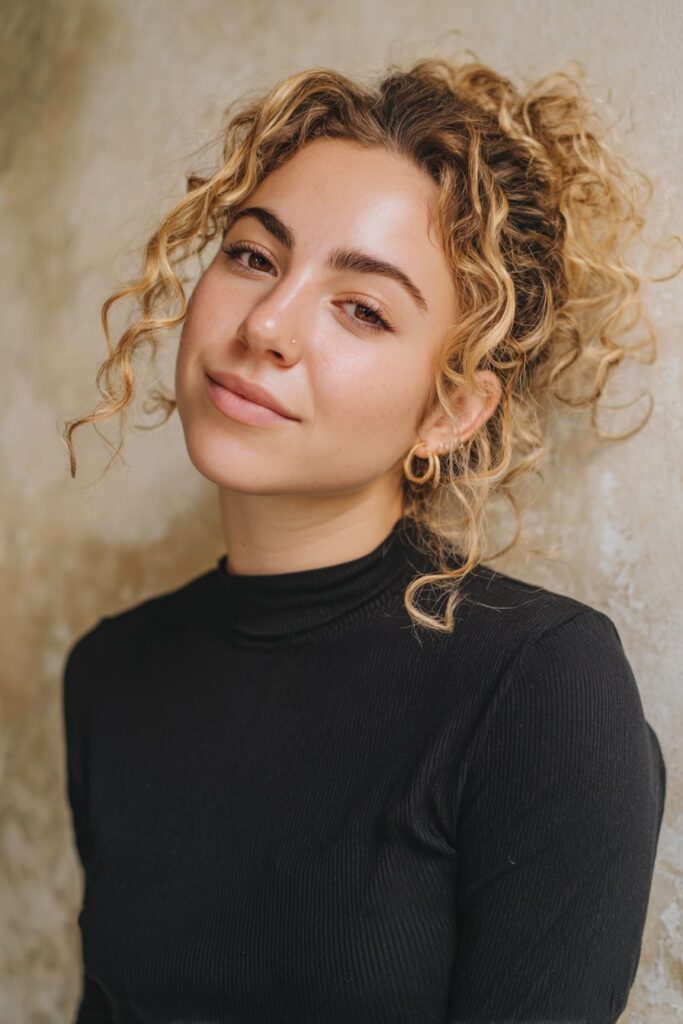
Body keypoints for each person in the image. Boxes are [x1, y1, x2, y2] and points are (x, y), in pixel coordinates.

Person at [60, 53, 674, 1024]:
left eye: (361, 308)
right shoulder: (109, 674)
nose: (267, 323)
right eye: (254, 255)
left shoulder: (540, 686)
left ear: (449, 411)